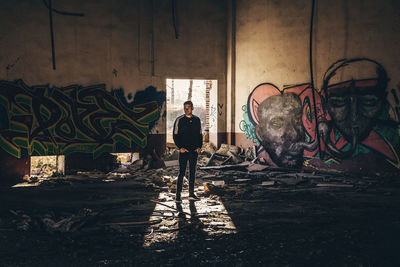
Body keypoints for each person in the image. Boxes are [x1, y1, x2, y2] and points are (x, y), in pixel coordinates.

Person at [173, 100, 202, 202]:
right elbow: (175, 135)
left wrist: (199, 146)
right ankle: (178, 196)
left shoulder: (197, 120)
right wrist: (179, 147)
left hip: (194, 151)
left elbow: (200, 134)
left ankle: (191, 194)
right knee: (181, 173)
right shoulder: (179, 120)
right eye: (185, 107)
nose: (186, 109)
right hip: (183, 151)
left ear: (192, 108)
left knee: (192, 172)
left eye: (188, 107)